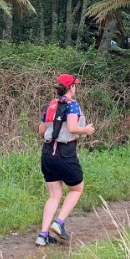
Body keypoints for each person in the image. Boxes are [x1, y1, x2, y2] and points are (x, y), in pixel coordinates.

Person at [36, 74, 95, 246]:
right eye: (75, 85)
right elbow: (72, 127)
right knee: (76, 189)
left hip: (47, 153)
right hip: (65, 153)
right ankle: (59, 223)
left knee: (54, 195)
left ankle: (43, 235)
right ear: (71, 88)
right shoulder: (73, 105)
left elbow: (41, 130)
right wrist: (85, 129)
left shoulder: (51, 104)